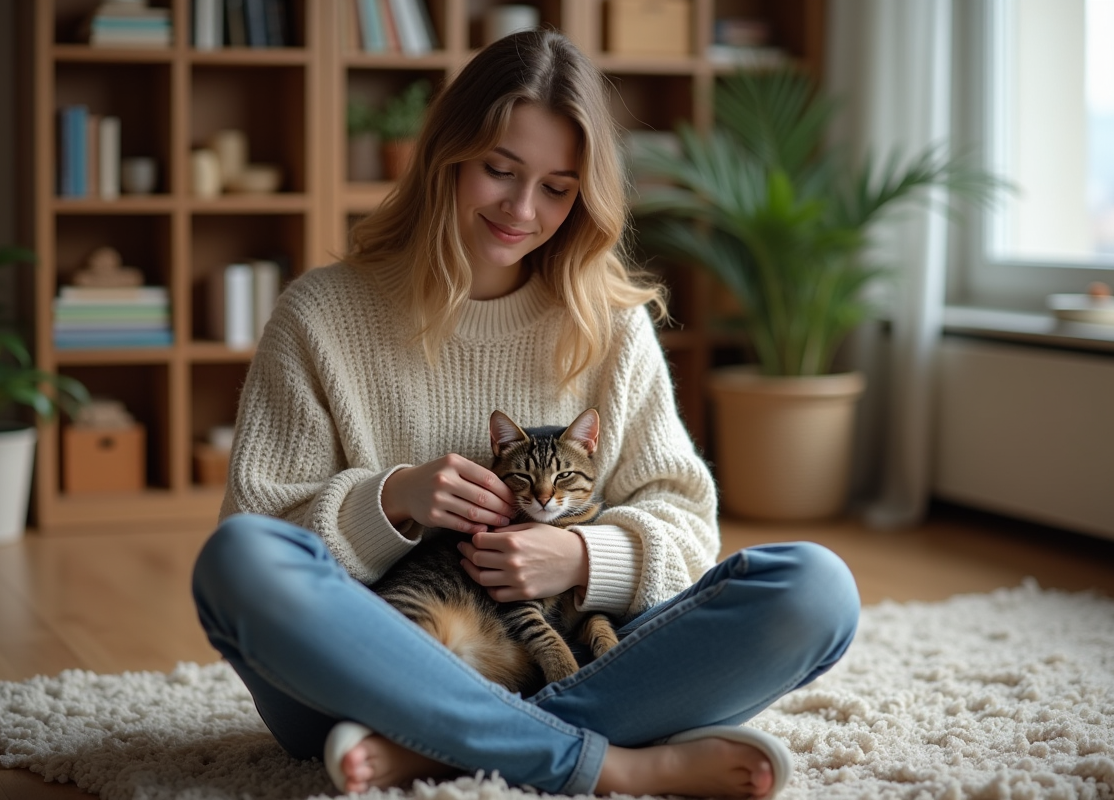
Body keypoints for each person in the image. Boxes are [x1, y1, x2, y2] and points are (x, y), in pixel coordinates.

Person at [191, 28, 860, 800]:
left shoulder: (608, 322)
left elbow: (685, 524)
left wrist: (582, 559)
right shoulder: (321, 315)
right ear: (446, 157)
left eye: (557, 187)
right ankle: (608, 762)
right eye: (499, 170)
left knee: (816, 591)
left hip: (546, 657)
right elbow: (262, 525)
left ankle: (443, 748)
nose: (522, 208)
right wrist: (392, 500)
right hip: (383, 664)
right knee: (236, 561)